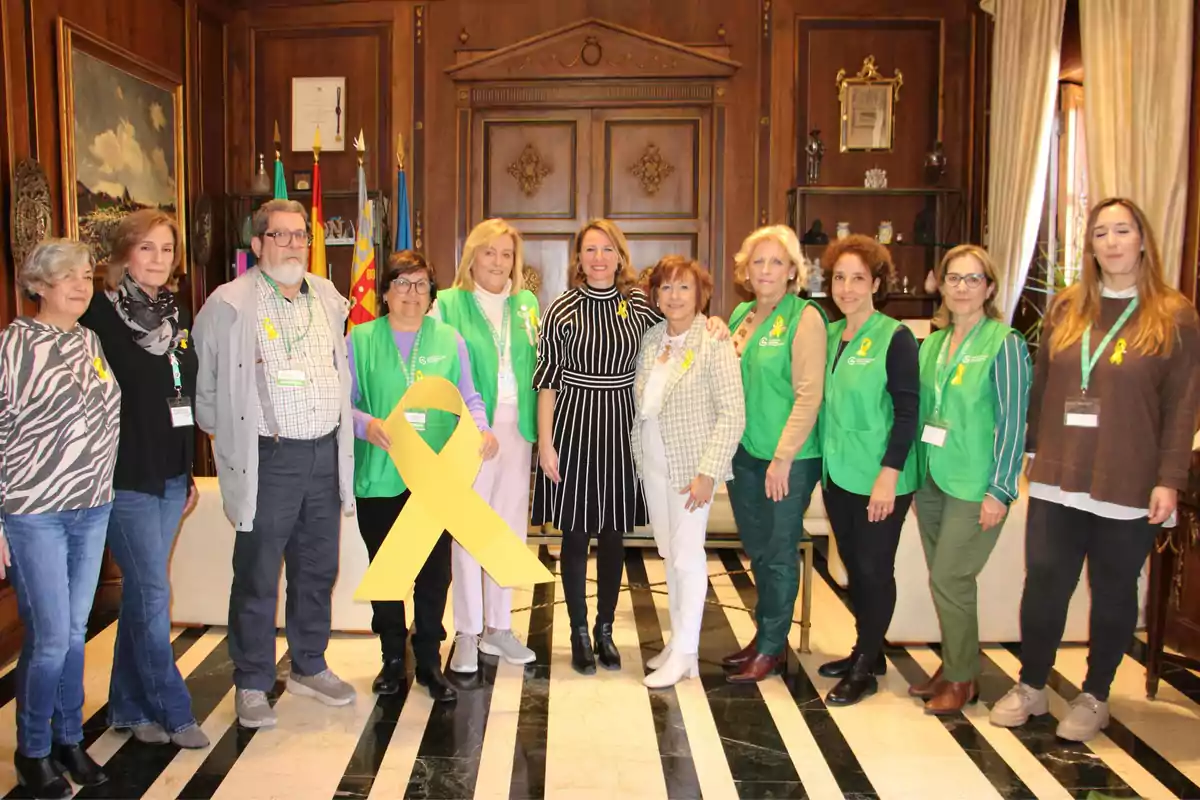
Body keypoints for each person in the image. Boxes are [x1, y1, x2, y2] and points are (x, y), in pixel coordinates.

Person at [990, 198, 1200, 742]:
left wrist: (1169, 479)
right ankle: (1032, 685)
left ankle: (1095, 694)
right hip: (1060, 476)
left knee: (1112, 593)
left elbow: (1182, 405)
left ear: (1142, 240)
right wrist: (1031, 449)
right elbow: (1042, 387)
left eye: (1122, 230)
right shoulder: (1066, 307)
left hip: (1127, 482)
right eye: (1101, 233)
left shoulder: (1175, 315)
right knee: (1044, 588)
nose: (1111, 242)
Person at [533, 220, 726, 674]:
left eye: (607, 249)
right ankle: (578, 630)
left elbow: (684, 322)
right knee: (576, 534)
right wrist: (545, 443)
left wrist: (714, 321)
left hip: (624, 425)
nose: (598, 258)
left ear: (620, 256)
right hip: (575, 424)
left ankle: (605, 628)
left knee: (614, 534)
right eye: (589, 250)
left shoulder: (638, 305)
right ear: (578, 258)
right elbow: (546, 382)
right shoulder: (559, 309)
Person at [194, 199, 357, 730]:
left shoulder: (329, 297)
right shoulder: (229, 303)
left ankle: (309, 663)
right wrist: (237, 438)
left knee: (318, 567)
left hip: (323, 452)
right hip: (269, 455)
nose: (292, 245)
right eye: (280, 236)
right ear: (258, 244)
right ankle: (252, 680)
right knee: (259, 573)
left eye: (299, 236)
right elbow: (209, 388)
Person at [78, 210, 210, 750]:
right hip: (121, 476)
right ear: (124, 254)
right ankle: (173, 709)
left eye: (166, 250)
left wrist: (188, 469)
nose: (159, 260)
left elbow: (183, 395)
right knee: (154, 592)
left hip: (170, 475)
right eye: (147, 249)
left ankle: (127, 708)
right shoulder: (97, 316)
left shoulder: (174, 312)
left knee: (142, 594)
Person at [0, 240, 121, 797]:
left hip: (91, 506)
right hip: (34, 512)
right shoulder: (15, 344)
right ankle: (34, 750)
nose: (79, 284)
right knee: (50, 638)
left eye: (86, 276)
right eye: (66, 276)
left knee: (75, 634)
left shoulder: (88, 340)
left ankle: (70, 739)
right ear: (39, 285)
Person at [349, 250, 497, 701]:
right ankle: (392, 660)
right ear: (385, 292)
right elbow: (344, 402)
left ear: (432, 294)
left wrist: (483, 428)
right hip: (379, 473)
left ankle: (430, 661)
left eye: (420, 284)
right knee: (388, 571)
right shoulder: (359, 339)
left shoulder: (450, 340)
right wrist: (365, 424)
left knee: (434, 574)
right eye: (401, 283)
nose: (411, 293)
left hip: (436, 476)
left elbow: (469, 398)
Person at [910, 245, 1031, 714]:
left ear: (991, 288)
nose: (962, 287)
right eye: (953, 278)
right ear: (940, 284)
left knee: (950, 576)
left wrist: (1000, 489)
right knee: (949, 582)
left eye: (973, 279)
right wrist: (918, 475)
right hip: (933, 478)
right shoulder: (933, 343)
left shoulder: (1005, 343)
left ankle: (963, 679)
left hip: (976, 483)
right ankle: (954, 662)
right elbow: (926, 412)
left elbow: (1013, 421)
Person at [431, 219, 539, 674]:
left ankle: (499, 627)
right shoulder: (448, 304)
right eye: (489, 253)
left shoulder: (526, 303)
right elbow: (436, 368)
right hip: (471, 432)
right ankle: (468, 633)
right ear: (471, 256)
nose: (498, 262)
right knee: (470, 530)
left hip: (519, 429)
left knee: (507, 531)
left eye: (507, 254)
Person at [632, 256, 745, 688]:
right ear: (656, 296)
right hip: (655, 465)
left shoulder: (714, 342)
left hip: (692, 470)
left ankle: (686, 650)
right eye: (666, 288)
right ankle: (681, 645)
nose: (674, 296)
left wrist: (708, 472)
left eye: (684, 288)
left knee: (688, 557)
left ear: (701, 295)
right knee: (669, 555)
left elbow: (733, 414)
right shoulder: (653, 338)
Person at [721, 226, 827, 683]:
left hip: (788, 459)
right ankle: (770, 638)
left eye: (776, 262)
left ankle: (770, 647)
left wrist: (783, 457)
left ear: (792, 272)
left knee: (781, 551)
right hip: (744, 454)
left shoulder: (804, 318)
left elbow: (809, 395)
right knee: (759, 550)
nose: (765, 270)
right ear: (746, 269)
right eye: (757, 262)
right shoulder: (742, 314)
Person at [819, 234, 920, 707]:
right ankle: (868, 649)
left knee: (875, 569)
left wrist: (889, 475)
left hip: (881, 478)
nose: (847, 287)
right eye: (839, 278)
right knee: (856, 568)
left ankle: (865, 668)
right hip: (839, 474)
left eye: (858, 278)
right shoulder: (830, 334)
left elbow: (907, 412)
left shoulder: (894, 337)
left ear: (877, 282)